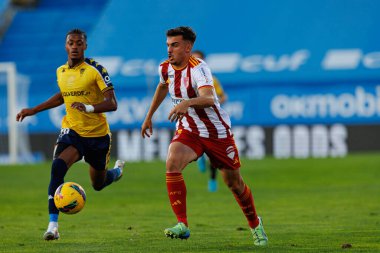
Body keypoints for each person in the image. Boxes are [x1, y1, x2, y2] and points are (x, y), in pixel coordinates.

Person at [141, 26, 268, 246]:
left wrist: (187, 102)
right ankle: (182, 224)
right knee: (172, 161)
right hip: (189, 130)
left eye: (175, 45)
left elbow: (209, 98)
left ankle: (255, 224)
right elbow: (162, 87)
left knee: (234, 183)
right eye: (168, 45)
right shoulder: (165, 68)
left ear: (188, 47)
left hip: (217, 134)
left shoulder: (199, 68)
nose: (169, 50)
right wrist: (149, 115)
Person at [16, 28, 125, 241]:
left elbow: (112, 103)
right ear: (66, 46)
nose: (75, 47)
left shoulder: (96, 69)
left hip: (98, 136)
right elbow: (62, 97)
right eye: (71, 43)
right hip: (73, 132)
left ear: (85, 46)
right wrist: (33, 110)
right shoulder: (61, 71)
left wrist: (89, 108)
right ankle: (53, 226)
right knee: (57, 167)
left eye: (79, 43)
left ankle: (116, 173)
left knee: (98, 184)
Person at [192, 50, 228, 192]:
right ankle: (199, 155)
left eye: (199, 59)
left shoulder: (211, 80)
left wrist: (214, 102)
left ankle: (212, 180)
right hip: (193, 120)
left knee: (213, 154)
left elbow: (222, 97)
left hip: (210, 121)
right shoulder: (184, 79)